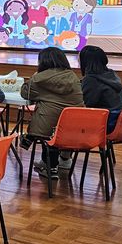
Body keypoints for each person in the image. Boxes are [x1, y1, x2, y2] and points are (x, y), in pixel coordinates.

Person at [20, 47, 83, 178]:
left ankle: (50, 167)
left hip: (47, 127)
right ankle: (60, 160)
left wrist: (33, 77)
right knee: (56, 127)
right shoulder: (73, 77)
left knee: (47, 123)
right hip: (73, 127)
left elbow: (25, 93)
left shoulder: (39, 79)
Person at [79, 45, 122, 133]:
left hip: (105, 123)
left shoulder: (91, 80)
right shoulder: (112, 74)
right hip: (119, 121)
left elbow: (86, 103)